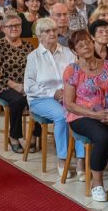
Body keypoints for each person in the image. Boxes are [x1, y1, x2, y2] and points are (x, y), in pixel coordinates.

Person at [62, 30, 108, 201]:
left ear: (93, 43)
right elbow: (69, 104)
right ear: (74, 51)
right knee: (103, 138)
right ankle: (97, 183)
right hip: (82, 116)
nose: (85, 46)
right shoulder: (72, 70)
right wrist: (96, 115)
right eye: (79, 45)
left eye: (87, 42)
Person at [24, 17, 77, 162]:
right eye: (47, 31)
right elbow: (29, 86)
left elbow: (76, 76)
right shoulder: (33, 57)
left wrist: (67, 92)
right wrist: (52, 93)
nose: (52, 33)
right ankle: (63, 158)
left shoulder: (68, 53)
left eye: (54, 30)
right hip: (41, 99)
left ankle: (81, 159)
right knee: (62, 115)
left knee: (80, 113)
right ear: (39, 36)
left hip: (67, 95)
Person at [0, 15, 32, 154]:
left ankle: (34, 134)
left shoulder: (28, 46)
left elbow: (35, 69)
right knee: (18, 100)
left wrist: (28, 86)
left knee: (39, 98)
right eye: (10, 26)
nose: (14, 28)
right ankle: (14, 136)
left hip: (28, 85)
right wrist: (16, 86)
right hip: (6, 86)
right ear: (3, 29)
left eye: (17, 25)